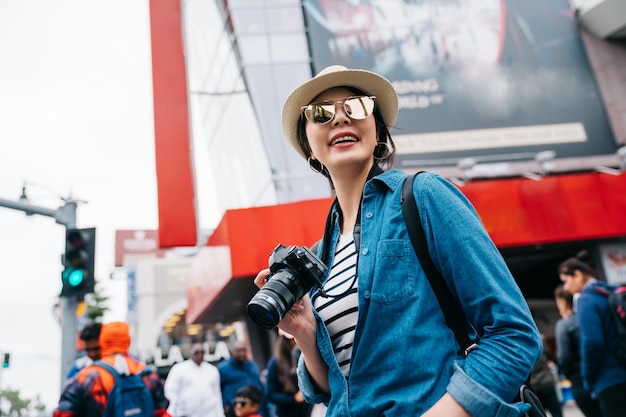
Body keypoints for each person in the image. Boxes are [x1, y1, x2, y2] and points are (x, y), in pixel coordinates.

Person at [253, 65, 543, 416]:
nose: (340, 118)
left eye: (357, 106)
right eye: (321, 113)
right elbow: (339, 389)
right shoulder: (319, 256)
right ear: (308, 148)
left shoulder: (424, 197)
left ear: (378, 133)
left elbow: (513, 335)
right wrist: (304, 333)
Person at [53, 321, 169, 417]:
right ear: (128, 341)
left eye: (95, 349)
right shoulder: (146, 374)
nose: (92, 354)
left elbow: (64, 412)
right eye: (88, 350)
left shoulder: (86, 376)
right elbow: (162, 411)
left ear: (103, 341)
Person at [559, 251, 626, 417]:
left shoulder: (586, 299)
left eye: (566, 281)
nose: (566, 288)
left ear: (578, 275)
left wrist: (587, 377)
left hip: (609, 379)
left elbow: (592, 341)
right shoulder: (608, 291)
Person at [553, 285, 601, 417]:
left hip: (579, 379)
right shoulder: (585, 317)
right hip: (600, 376)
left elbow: (564, 356)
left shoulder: (564, 324)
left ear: (562, 301)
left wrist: (566, 374)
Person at [164, 343, 225, 417]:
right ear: (190, 353)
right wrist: (178, 406)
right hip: (185, 414)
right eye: (196, 352)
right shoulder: (179, 369)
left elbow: (217, 394)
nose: (200, 355)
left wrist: (220, 414)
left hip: (209, 414)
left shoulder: (212, 370)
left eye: (202, 352)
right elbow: (170, 390)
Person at [265, 332, 312, 417]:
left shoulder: (303, 356)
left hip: (307, 411)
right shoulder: (275, 363)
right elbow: (270, 395)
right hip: (287, 413)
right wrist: (294, 398)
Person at [218, 341, 266, 417]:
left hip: (256, 408)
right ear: (232, 352)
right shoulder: (223, 369)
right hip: (236, 409)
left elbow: (259, 384)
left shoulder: (253, 365)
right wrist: (225, 404)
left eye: (244, 350)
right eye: (238, 351)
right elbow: (218, 390)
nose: (242, 353)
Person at [529, 340, 562, 417]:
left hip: (532, 385)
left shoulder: (515, 340)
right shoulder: (539, 338)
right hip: (546, 381)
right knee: (556, 411)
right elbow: (549, 356)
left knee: (539, 413)